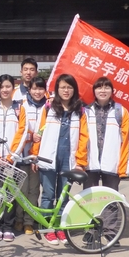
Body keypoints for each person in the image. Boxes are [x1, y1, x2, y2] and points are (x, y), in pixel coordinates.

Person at [31, 73, 89, 245]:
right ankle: (48, 228)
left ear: (74, 90)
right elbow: (39, 132)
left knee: (63, 197)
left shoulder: (80, 110)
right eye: (63, 87)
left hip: (68, 159)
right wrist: (35, 154)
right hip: (48, 157)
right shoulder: (48, 107)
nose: (66, 90)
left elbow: (83, 137)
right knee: (48, 195)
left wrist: (80, 161)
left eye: (69, 87)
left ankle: (61, 228)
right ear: (57, 89)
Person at [0, 74, 29, 243]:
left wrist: (11, 157)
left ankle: (7, 227)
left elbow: (22, 132)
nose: (5, 89)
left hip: (12, 160)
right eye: (2, 86)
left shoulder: (19, 109)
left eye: (8, 86)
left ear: (13, 88)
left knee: (10, 195)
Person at [84, 77, 129, 191]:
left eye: (106, 87)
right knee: (89, 197)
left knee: (111, 196)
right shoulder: (85, 111)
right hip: (90, 162)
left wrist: (123, 165)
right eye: (99, 88)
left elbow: (126, 140)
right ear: (94, 91)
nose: (103, 91)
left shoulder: (121, 111)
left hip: (112, 162)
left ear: (112, 91)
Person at [18, 76, 47, 234]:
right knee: (21, 189)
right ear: (29, 90)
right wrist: (31, 136)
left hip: (39, 155)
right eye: (34, 88)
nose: (37, 92)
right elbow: (19, 128)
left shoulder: (49, 107)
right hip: (22, 154)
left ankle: (29, 221)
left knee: (34, 190)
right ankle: (18, 219)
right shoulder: (22, 105)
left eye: (41, 88)